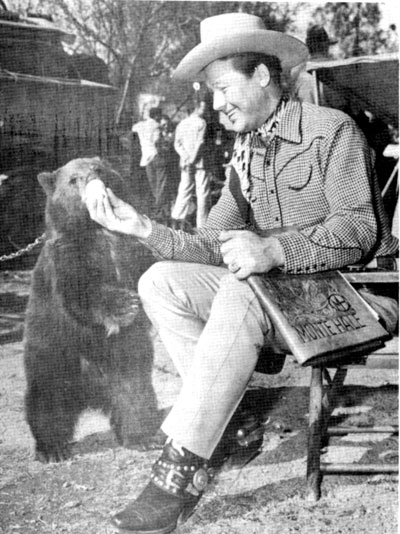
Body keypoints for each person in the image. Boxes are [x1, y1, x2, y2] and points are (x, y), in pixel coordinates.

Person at [86, 13, 398, 534]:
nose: (216, 104)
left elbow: (360, 230)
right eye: (210, 93)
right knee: (159, 280)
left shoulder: (331, 132)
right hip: (283, 299)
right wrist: (140, 227)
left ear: (261, 76)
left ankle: (179, 471)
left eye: (223, 88)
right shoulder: (246, 154)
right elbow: (211, 247)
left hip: (358, 296)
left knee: (242, 291)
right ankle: (230, 423)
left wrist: (273, 251)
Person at [171, 100, 210, 228]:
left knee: (184, 190)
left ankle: (176, 219)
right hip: (199, 163)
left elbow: (177, 144)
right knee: (202, 193)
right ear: (197, 108)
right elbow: (200, 143)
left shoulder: (182, 123)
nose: (204, 110)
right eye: (203, 107)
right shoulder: (201, 122)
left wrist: (186, 157)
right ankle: (202, 225)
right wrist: (193, 159)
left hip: (185, 163)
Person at [131, 107, 169, 217]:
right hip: (157, 156)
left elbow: (133, 128)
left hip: (146, 158)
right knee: (161, 185)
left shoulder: (140, 125)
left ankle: (158, 209)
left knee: (153, 185)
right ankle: (158, 210)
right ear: (157, 116)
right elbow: (157, 141)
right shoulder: (157, 126)